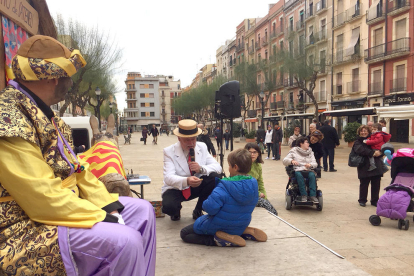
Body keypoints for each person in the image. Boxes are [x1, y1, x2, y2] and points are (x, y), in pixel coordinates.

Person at [0, 35, 155, 275]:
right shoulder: (8, 118)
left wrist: (109, 206)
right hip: (23, 227)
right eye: (68, 76)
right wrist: (101, 216)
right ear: (52, 77)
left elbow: (79, 171)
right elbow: (42, 198)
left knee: (143, 211)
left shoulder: (48, 116)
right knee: (125, 240)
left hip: (60, 207)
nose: (71, 83)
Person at [180, 148, 267, 247]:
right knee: (233, 222)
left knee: (185, 233)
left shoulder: (224, 186)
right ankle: (242, 231)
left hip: (220, 226)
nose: (228, 167)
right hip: (241, 223)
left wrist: (207, 200)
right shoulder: (253, 184)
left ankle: (218, 240)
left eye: (229, 165)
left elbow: (210, 209)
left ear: (235, 167)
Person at [162, 119, 222, 221]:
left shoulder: (202, 146)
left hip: (196, 186)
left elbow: (218, 167)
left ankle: (198, 209)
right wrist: (187, 181)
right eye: (187, 140)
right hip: (177, 188)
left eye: (193, 139)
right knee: (169, 207)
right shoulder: (169, 151)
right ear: (179, 138)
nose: (191, 143)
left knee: (215, 177)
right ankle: (176, 211)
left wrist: (201, 169)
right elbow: (168, 177)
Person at [353, 125, 384, 207]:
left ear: (368, 132)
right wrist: (372, 153)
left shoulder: (374, 139)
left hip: (376, 164)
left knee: (376, 184)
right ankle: (362, 200)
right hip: (364, 165)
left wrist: (380, 153)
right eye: (362, 131)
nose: (363, 132)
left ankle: (375, 200)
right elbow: (360, 150)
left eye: (365, 131)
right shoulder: (358, 141)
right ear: (359, 132)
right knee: (364, 184)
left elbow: (381, 147)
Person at [245, 143, 278, 215]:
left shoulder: (258, 165)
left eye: (254, 152)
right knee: (271, 211)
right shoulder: (244, 165)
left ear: (258, 154)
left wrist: (264, 195)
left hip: (256, 194)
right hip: (247, 195)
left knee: (273, 211)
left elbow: (260, 182)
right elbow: (246, 185)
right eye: (249, 152)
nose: (252, 154)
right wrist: (259, 194)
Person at [283, 136, 319, 203]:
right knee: (298, 175)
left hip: (308, 170)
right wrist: (291, 161)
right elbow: (285, 160)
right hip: (298, 170)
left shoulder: (310, 152)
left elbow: (315, 163)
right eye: (306, 142)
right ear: (301, 144)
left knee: (312, 175)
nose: (308, 144)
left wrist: (310, 165)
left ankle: (312, 196)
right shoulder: (294, 151)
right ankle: (303, 195)